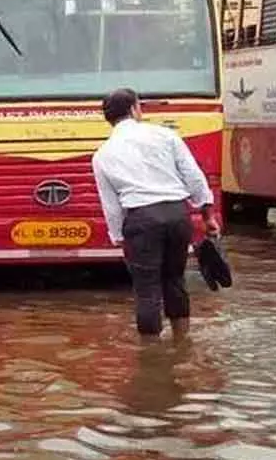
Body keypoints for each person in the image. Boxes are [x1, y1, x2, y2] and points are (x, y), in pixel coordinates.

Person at [92, 87, 220, 339]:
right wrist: (208, 216)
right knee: (175, 280)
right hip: (176, 215)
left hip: (140, 220)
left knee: (147, 289)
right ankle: (182, 341)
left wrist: (119, 237)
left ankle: (151, 353)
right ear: (134, 109)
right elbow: (194, 177)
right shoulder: (165, 135)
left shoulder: (102, 155)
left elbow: (111, 205)